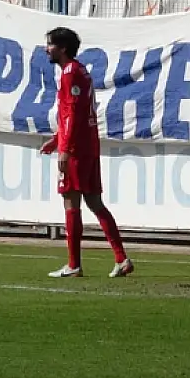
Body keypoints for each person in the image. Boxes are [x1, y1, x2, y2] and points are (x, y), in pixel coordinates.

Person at [38, 27, 134, 279]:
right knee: (94, 201)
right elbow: (75, 112)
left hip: (77, 148)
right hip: (88, 144)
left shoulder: (70, 73)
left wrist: (65, 148)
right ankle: (121, 258)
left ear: (62, 48)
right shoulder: (79, 70)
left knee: (71, 201)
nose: (46, 49)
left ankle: (74, 264)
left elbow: (74, 113)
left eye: (50, 45)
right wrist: (56, 139)